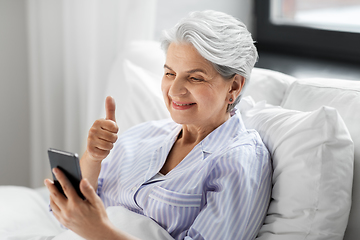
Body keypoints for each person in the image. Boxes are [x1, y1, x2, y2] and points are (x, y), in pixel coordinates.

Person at [45, 10, 272, 240]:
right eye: (170, 73)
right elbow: (69, 215)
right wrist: (93, 157)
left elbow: (92, 226)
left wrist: (100, 232)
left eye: (195, 78)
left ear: (234, 87)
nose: (174, 91)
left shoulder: (239, 161)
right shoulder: (142, 135)